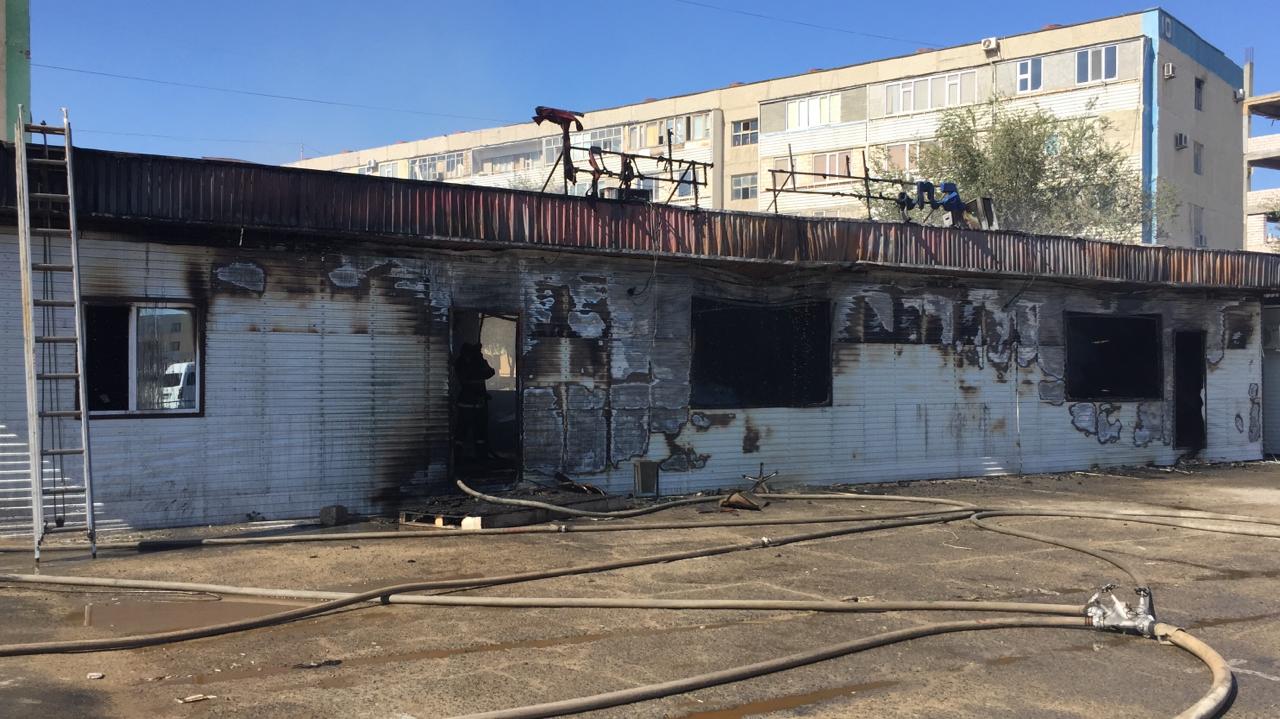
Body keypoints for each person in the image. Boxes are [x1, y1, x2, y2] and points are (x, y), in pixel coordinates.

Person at [454, 342, 496, 461]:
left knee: (480, 432)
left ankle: (481, 457)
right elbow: (468, 378)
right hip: (467, 404)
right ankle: (457, 457)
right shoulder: (462, 363)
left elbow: (490, 372)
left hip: (478, 404)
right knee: (461, 431)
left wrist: (481, 361)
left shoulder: (477, 362)